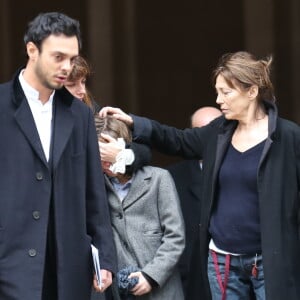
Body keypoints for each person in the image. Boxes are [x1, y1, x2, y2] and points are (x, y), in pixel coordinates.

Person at [99, 51, 300, 300]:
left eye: (226, 92)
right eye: (217, 91)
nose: (218, 99)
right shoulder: (219, 131)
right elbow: (177, 140)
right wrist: (133, 123)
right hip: (223, 263)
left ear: (252, 91)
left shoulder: (288, 137)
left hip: (270, 262)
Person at [0, 12, 117, 300]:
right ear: (32, 50)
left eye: (72, 58)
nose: (67, 67)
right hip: (9, 266)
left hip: (68, 269)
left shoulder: (79, 115)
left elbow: (94, 194)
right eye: (58, 57)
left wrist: (105, 257)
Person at [95, 115, 185, 300]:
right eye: (99, 156)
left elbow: (175, 237)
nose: (105, 163)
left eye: (108, 155)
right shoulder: (96, 186)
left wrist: (151, 275)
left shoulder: (159, 179)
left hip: (161, 290)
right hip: (120, 290)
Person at [166, 106, 221, 299]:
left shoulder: (246, 172)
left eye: (215, 131)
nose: (209, 139)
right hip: (190, 284)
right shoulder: (171, 178)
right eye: (201, 132)